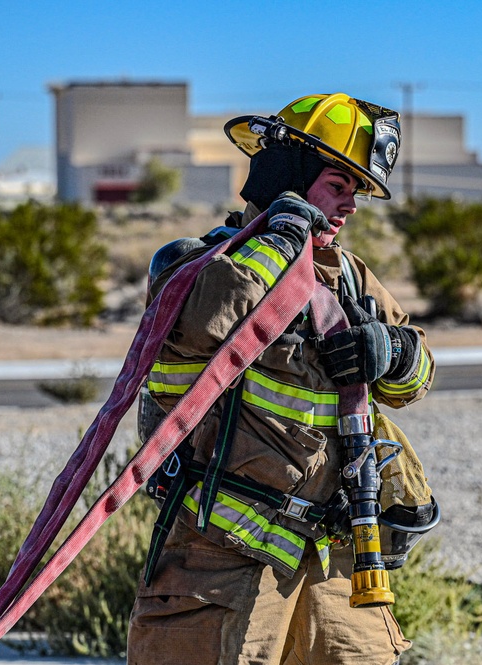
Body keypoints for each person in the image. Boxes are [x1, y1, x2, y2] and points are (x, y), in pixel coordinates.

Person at [127, 93, 436, 665]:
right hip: (222, 559)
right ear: (289, 175)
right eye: (336, 186)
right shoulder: (199, 263)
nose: (347, 209)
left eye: (355, 195)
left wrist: (390, 351)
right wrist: (282, 238)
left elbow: (415, 378)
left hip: (335, 561)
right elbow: (210, 321)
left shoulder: (347, 278)